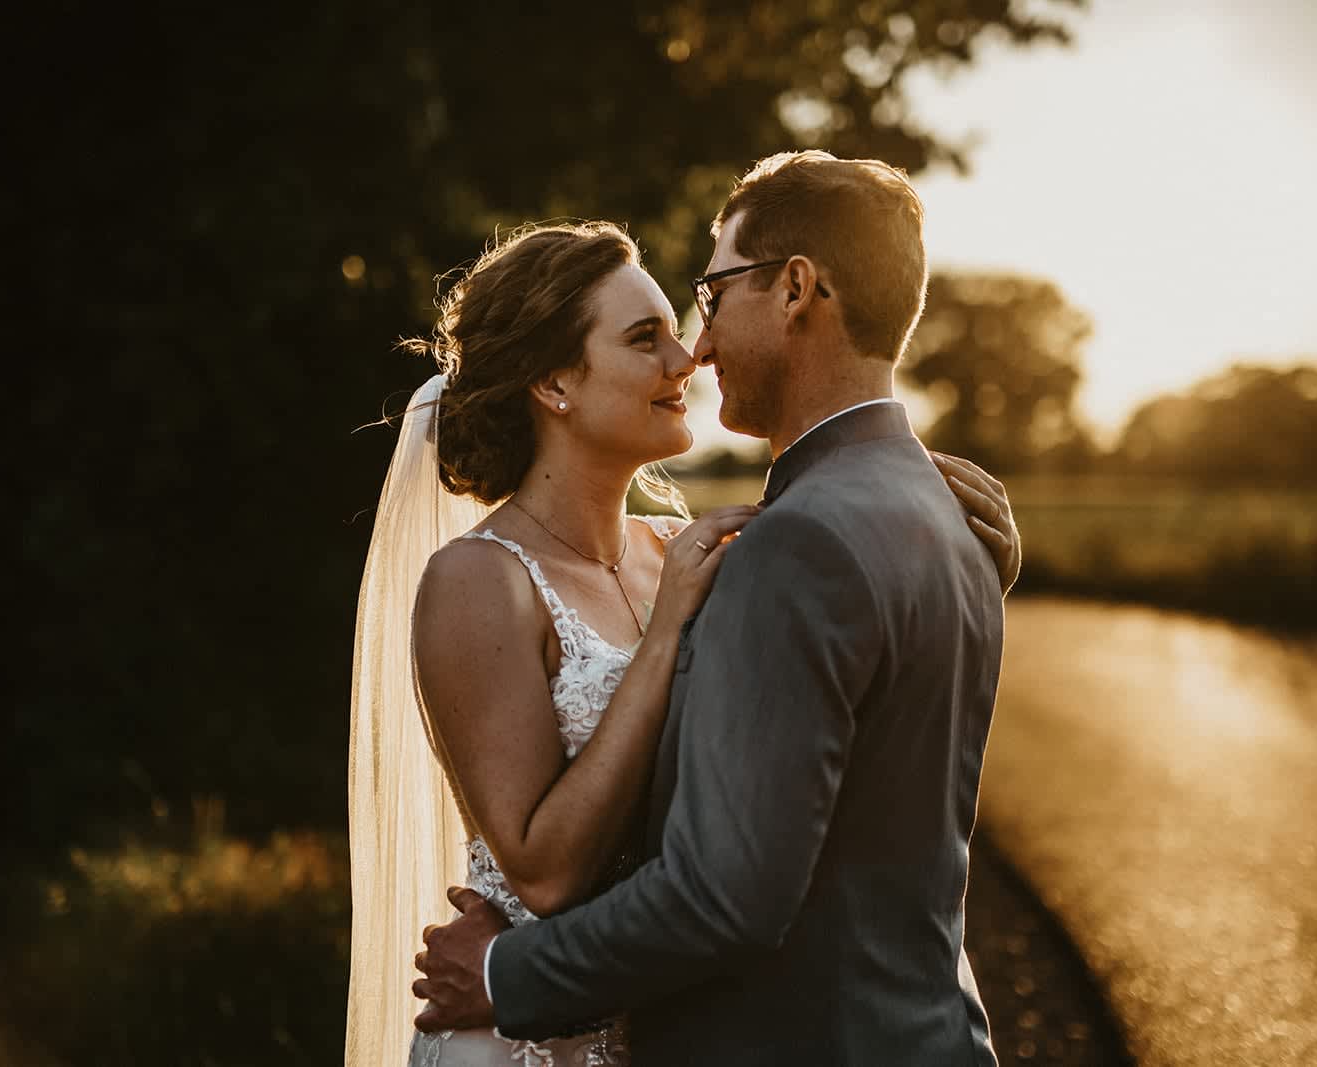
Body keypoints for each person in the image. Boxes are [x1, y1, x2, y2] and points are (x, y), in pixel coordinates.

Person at [405, 152, 1012, 1065]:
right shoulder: (874, 524)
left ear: (798, 288)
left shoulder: (758, 547)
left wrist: (504, 974)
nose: (694, 348)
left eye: (709, 293)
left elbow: (728, 887)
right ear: (555, 384)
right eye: (646, 334)